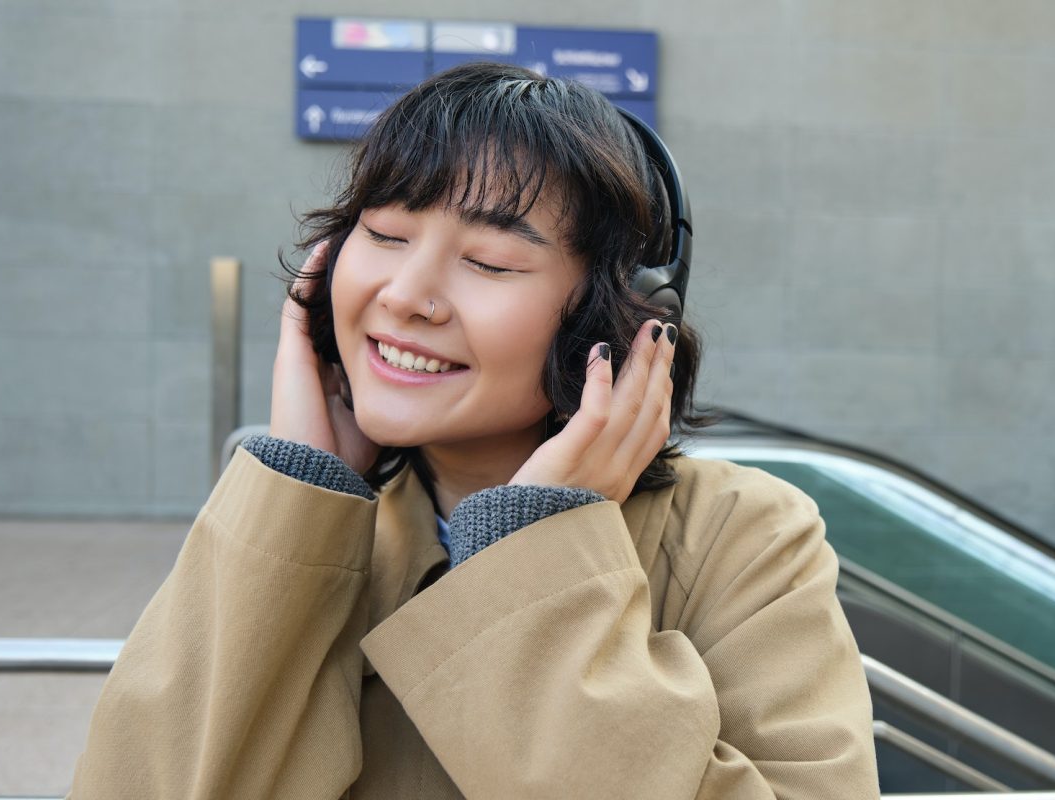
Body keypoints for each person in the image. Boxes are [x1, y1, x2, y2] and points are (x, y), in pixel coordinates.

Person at [69, 62, 879, 798]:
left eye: (489, 263)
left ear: (624, 319)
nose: (406, 294)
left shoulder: (740, 536)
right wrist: (294, 498)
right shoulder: (312, 530)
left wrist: (530, 550)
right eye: (384, 234)